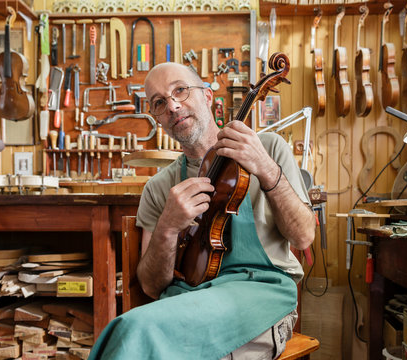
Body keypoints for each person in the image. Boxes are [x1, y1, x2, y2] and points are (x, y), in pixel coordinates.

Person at [88, 62, 316, 360]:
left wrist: (267, 170)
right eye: (159, 102)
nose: (172, 105)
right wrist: (168, 226)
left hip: (261, 296)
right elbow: (152, 285)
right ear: (158, 119)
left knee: (142, 337)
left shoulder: (269, 148)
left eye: (180, 90)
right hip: (186, 301)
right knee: (130, 327)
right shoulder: (159, 188)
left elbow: (303, 237)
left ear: (208, 97)